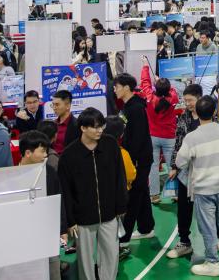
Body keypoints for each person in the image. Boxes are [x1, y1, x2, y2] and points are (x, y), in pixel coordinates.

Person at [58, 108, 128, 280]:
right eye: (95, 127)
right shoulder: (69, 155)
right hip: (83, 218)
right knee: (85, 260)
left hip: (109, 214)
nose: (100, 130)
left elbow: (120, 175)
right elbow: (65, 190)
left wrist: (121, 205)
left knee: (111, 255)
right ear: (83, 128)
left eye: (101, 126)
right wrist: (70, 220)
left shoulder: (110, 145)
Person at [175, 95, 219, 276]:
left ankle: (212, 262)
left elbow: (180, 162)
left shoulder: (192, 137)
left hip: (203, 187)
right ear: (214, 112)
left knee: (208, 226)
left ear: (197, 111)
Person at [112, 73, 155, 248]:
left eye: (117, 86)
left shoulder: (136, 108)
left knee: (134, 196)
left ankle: (124, 237)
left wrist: (131, 160)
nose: (114, 89)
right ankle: (146, 227)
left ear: (126, 87)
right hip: (133, 157)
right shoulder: (127, 106)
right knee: (142, 192)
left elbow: (138, 137)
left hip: (138, 159)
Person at [19, 130, 68, 280]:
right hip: (24, 237)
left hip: (48, 233)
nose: (46, 155)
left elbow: (58, 199)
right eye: (42, 151)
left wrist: (62, 229)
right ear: (28, 153)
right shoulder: (13, 176)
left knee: (53, 271)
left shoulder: (50, 172)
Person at [167, 83, 204, 261]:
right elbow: (178, 142)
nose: (187, 103)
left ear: (200, 98)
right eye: (185, 100)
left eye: (190, 100)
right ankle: (184, 241)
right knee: (184, 207)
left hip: (205, 170)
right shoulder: (183, 118)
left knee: (210, 208)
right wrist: (174, 166)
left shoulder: (211, 117)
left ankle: (217, 239)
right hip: (186, 171)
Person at [140, 64, 178, 203]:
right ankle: (175, 194)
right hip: (170, 137)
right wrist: (160, 82)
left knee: (153, 166)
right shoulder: (173, 97)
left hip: (153, 137)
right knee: (172, 165)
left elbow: (145, 83)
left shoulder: (149, 97)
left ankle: (154, 195)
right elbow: (172, 90)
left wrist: (145, 67)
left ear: (156, 88)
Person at [50, 89, 81, 155]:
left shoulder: (77, 125)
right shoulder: (52, 124)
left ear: (68, 106)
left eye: (57, 105)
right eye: (53, 105)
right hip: (52, 159)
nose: (54, 108)